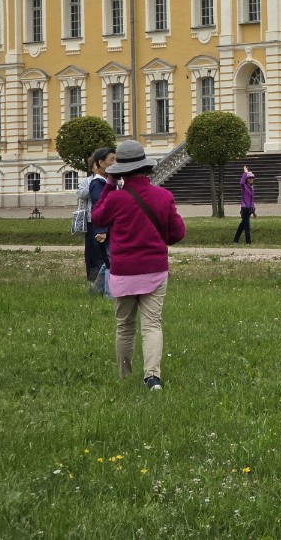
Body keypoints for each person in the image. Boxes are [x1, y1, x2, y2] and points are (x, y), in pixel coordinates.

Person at [90, 139, 185, 391]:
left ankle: (125, 375)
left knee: (125, 326)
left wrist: (109, 185)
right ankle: (152, 377)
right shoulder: (163, 196)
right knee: (152, 324)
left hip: (123, 271)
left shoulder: (115, 200)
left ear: (120, 170)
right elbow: (178, 233)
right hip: (154, 269)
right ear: (145, 167)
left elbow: (97, 217)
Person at [81, 146, 116, 292]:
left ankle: (96, 291)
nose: (115, 162)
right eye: (112, 160)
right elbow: (98, 207)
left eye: (116, 159)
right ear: (101, 163)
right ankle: (110, 294)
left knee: (107, 261)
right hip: (104, 228)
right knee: (111, 262)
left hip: (110, 227)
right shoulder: (97, 184)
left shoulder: (108, 181)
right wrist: (102, 230)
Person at [233, 166, 255, 245]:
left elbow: (251, 200)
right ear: (246, 179)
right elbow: (241, 182)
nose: (251, 179)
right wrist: (245, 172)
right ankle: (248, 243)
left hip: (249, 209)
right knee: (247, 226)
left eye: (252, 178)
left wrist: (254, 211)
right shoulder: (244, 187)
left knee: (242, 226)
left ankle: (235, 241)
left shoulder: (251, 188)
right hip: (244, 208)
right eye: (249, 178)